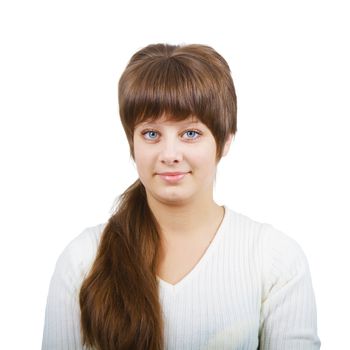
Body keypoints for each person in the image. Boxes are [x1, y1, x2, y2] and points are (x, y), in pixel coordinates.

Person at [42, 43, 321, 350]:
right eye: (151, 133)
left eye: (190, 133)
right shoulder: (83, 260)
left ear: (225, 140)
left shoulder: (275, 259)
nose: (170, 154)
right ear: (131, 143)